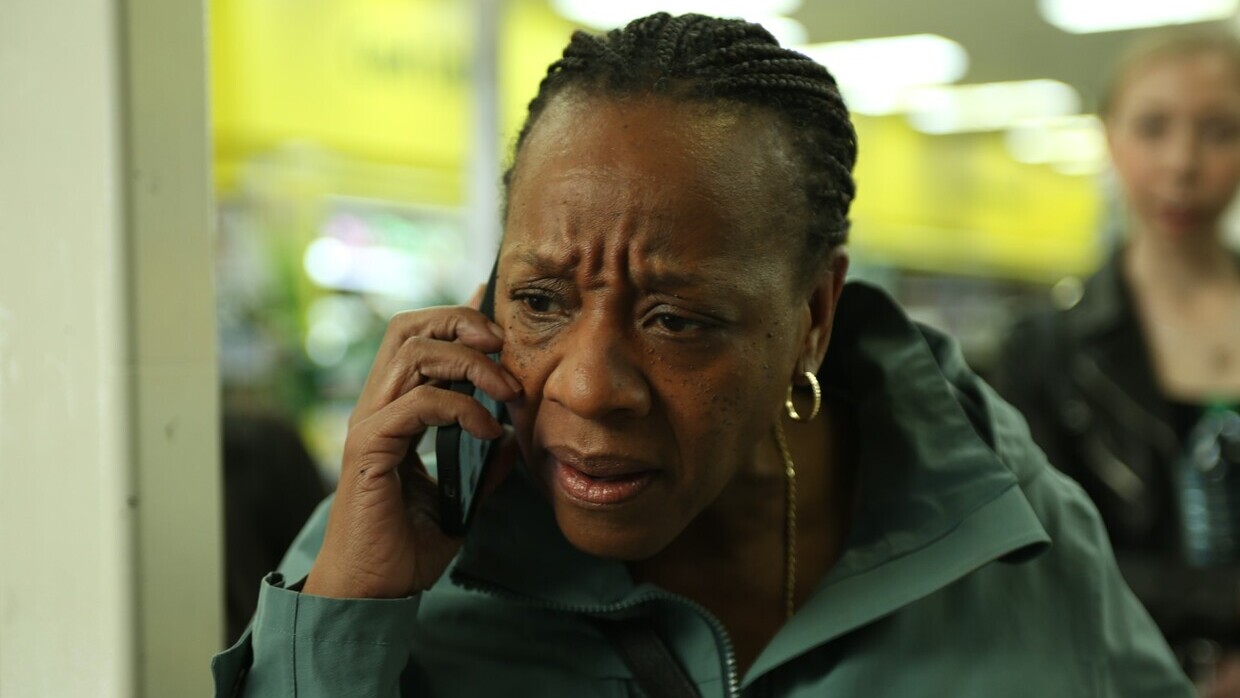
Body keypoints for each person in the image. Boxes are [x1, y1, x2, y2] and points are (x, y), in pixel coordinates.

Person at [213, 13, 1192, 696]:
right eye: (540, 300)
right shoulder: (384, 540)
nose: (591, 385)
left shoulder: (992, 515)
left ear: (813, 314)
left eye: (678, 319)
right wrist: (350, 604)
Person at [996, 29, 1240, 695]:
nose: (1183, 163)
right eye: (1154, 127)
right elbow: (1045, 551)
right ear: (1110, 137)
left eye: (1220, 130)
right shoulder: (1044, 352)